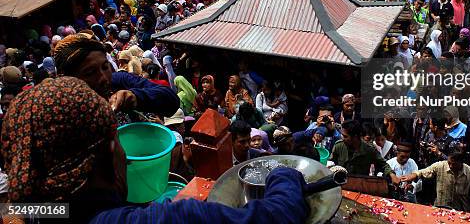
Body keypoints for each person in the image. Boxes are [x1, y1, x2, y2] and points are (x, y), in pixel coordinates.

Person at [0, 77, 309, 223]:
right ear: (109, 151)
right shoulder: (161, 220)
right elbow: (278, 216)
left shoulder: (37, 210)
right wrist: (283, 174)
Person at [52, 34, 179, 117]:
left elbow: (172, 101)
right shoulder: (64, 109)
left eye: (105, 67)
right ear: (68, 78)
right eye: (90, 72)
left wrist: (136, 97)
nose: (103, 77)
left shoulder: (119, 80)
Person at [402, 152, 470, 212]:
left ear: (461, 162)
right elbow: (425, 171)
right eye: (449, 163)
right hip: (441, 208)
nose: (450, 166)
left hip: (461, 211)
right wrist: (413, 175)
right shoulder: (441, 166)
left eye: (453, 164)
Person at [330, 120, 399, 183]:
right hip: (341, 183)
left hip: (360, 185)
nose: (342, 138)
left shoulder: (369, 150)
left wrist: (392, 175)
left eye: (345, 136)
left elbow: (383, 165)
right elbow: (331, 164)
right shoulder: (339, 146)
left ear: (355, 137)